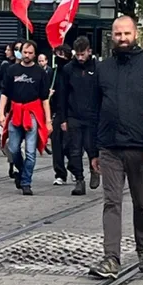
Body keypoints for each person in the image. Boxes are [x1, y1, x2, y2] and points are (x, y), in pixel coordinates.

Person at [88, 16, 143, 279]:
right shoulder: (103, 68)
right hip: (110, 147)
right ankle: (111, 258)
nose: (122, 38)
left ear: (136, 34)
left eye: (127, 33)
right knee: (111, 202)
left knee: (141, 202)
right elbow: (94, 109)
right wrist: (94, 150)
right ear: (111, 36)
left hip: (141, 147)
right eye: (117, 34)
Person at [0, 40, 51, 196]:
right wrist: (1, 113)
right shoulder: (12, 70)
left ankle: (26, 181)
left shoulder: (40, 73)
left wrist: (48, 121)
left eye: (30, 53)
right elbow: (5, 93)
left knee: (30, 152)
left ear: (34, 54)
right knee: (13, 149)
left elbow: (45, 98)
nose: (26, 55)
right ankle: (21, 171)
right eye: (24, 52)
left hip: (32, 113)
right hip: (15, 112)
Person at [57, 36, 100, 196]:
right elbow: (62, 94)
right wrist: (63, 118)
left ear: (89, 51)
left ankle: (94, 168)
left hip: (92, 116)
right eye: (78, 55)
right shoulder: (68, 69)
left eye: (83, 54)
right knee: (74, 150)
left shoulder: (97, 68)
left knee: (91, 148)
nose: (80, 58)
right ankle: (79, 180)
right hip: (74, 115)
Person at [48, 44, 72, 184]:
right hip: (57, 112)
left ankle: (74, 168)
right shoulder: (53, 72)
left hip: (70, 112)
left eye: (62, 54)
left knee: (68, 145)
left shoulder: (72, 71)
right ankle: (60, 173)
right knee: (56, 145)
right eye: (57, 54)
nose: (59, 57)